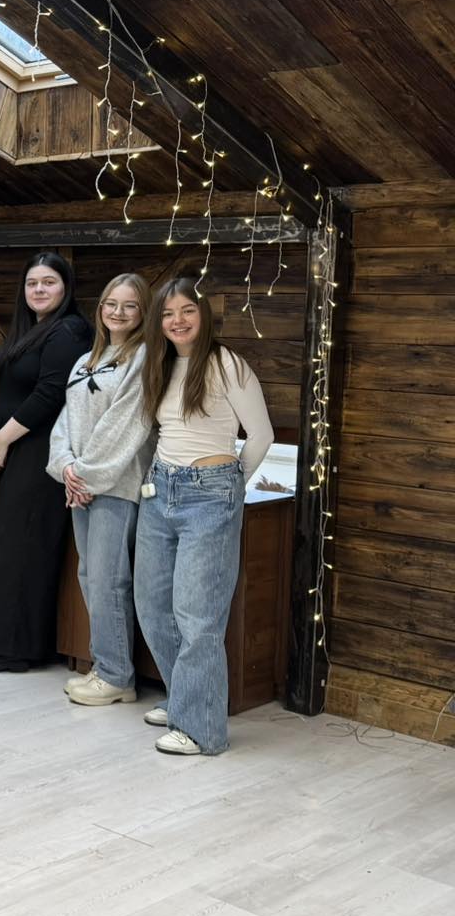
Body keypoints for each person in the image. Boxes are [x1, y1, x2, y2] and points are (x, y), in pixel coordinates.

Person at [134, 278, 273, 756]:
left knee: (197, 616)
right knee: (152, 606)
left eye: (187, 310)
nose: (178, 320)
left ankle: (202, 730)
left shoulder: (227, 363)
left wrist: (229, 484)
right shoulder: (160, 364)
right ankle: (185, 700)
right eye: (168, 313)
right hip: (159, 491)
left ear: (203, 314)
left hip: (210, 494)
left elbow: (261, 435)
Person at [0, 252, 91, 674]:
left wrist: (3, 439)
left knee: (16, 548)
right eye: (32, 283)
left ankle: (9, 650)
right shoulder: (29, 332)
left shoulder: (69, 331)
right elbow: (2, 388)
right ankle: (27, 645)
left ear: (65, 287)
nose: (39, 290)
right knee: (17, 545)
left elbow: (49, 394)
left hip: (42, 452)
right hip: (19, 448)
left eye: (48, 282)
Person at [47, 273, 153, 706]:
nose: (118, 312)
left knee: (110, 580)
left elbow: (126, 425)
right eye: (111, 303)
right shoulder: (86, 359)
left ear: (143, 312)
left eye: (129, 305)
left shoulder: (143, 358)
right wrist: (67, 468)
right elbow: (65, 420)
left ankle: (116, 675)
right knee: (90, 576)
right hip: (82, 484)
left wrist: (86, 476)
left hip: (116, 485)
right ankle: (105, 666)